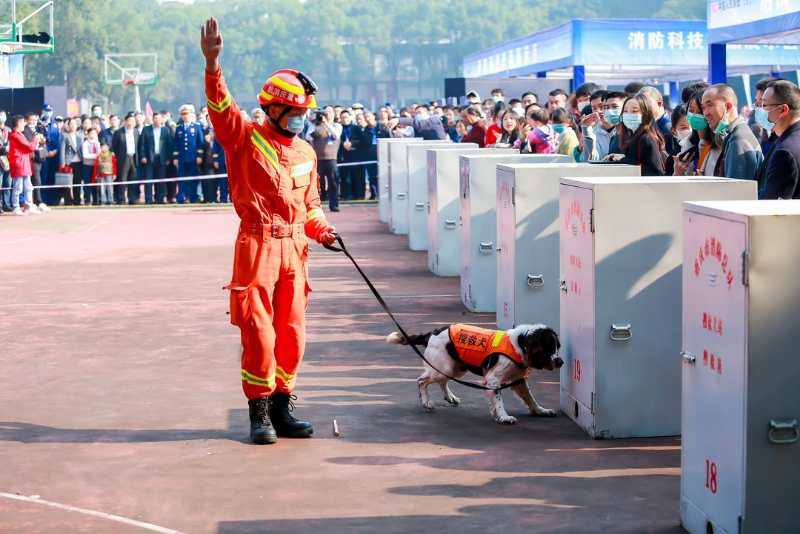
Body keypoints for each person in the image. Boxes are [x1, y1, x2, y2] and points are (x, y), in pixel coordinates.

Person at [201, 17, 337, 444]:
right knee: (258, 331)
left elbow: (310, 206)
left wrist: (324, 231)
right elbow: (221, 110)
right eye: (295, 112)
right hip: (257, 245)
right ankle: (258, 412)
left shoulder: (305, 152)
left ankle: (282, 407)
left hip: (295, 249)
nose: (300, 119)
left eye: (304, 113)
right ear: (274, 109)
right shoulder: (244, 139)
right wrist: (212, 66)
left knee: (292, 331)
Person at [701, 84, 763, 180]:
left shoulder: (738, 141)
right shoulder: (734, 136)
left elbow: (735, 188)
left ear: (728, 107)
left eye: (710, 105)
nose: (705, 113)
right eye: (703, 108)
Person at [754, 80, 800, 199]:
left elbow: (771, 203)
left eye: (764, 105)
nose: (759, 110)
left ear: (783, 109)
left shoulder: (785, 152)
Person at [605, 94, 666, 176]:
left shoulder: (646, 138)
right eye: (625, 111)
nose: (629, 115)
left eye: (634, 111)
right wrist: (622, 157)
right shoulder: (632, 137)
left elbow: (654, 171)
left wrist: (623, 160)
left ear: (645, 114)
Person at [674, 89, 720, 177]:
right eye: (691, 110)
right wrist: (678, 173)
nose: (694, 115)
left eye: (699, 112)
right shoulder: (688, 145)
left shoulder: (718, 146)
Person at [7, 115, 42, 215]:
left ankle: (28, 206)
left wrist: (35, 140)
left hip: (24, 163)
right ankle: (16, 207)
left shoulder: (20, 134)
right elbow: (29, 147)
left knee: (28, 187)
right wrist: (35, 139)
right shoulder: (15, 135)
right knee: (18, 187)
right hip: (19, 163)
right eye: (23, 122)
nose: (24, 124)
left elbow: (29, 147)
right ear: (18, 123)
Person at [308, 106, 341, 209]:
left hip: (331, 159)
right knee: (318, 183)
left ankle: (334, 205)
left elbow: (336, 135)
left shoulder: (337, 125)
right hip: (318, 159)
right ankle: (317, 205)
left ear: (333, 114)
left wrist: (326, 123)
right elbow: (308, 136)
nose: (327, 115)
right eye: (325, 113)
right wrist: (315, 123)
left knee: (333, 182)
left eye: (329, 112)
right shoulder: (316, 126)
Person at [138, 111, 174, 204]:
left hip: (162, 158)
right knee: (149, 179)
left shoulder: (165, 130)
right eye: (155, 118)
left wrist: (168, 158)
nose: (157, 120)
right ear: (152, 119)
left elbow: (169, 145)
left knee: (160, 179)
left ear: (161, 120)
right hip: (149, 158)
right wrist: (143, 156)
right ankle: (148, 199)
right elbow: (142, 144)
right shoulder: (146, 129)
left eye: (159, 118)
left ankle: (160, 198)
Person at [172, 104, 205, 203]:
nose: (185, 116)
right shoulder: (179, 128)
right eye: (183, 114)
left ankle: (193, 197)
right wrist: (175, 157)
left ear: (191, 114)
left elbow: (200, 143)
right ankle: (182, 197)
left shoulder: (197, 127)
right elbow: (176, 144)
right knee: (182, 178)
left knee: (192, 178)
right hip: (182, 158)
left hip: (193, 157)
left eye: (186, 114)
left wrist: (199, 156)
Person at [111, 112, 140, 204]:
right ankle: (121, 198)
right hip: (123, 158)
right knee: (122, 179)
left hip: (134, 157)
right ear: (125, 121)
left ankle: (132, 198)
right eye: (129, 121)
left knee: (133, 178)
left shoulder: (136, 132)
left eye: (133, 121)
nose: (131, 123)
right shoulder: (118, 132)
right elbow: (114, 146)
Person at [59, 117, 82, 205]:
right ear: (68, 126)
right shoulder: (65, 136)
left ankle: (77, 200)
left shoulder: (80, 136)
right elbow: (62, 150)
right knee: (67, 182)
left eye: (74, 124)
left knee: (77, 182)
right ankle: (68, 201)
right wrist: (62, 163)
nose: (73, 126)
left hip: (79, 162)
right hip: (68, 162)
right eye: (71, 124)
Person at [80, 127, 101, 206]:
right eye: (91, 133)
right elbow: (85, 155)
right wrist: (96, 156)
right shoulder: (85, 143)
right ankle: (87, 200)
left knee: (95, 182)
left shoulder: (97, 143)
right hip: (87, 165)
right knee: (87, 183)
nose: (93, 135)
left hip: (96, 166)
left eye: (94, 133)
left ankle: (96, 200)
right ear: (88, 134)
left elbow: (100, 153)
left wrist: (97, 155)